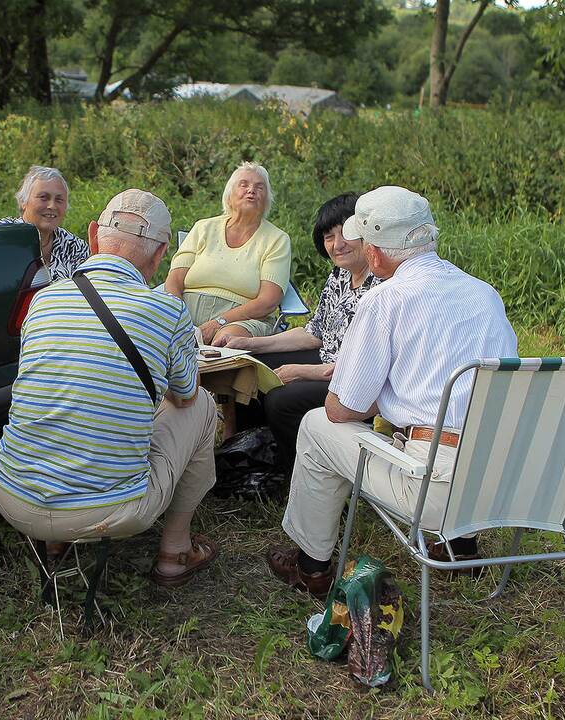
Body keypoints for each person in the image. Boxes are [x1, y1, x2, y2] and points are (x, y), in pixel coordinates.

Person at [266, 186, 518, 597]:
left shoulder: (386, 299)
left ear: (376, 254)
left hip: (435, 486)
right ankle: (460, 545)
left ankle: (311, 567)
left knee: (316, 425)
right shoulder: (484, 293)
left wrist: (379, 395)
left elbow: (344, 409)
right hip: (507, 479)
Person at [0, 189, 220, 587]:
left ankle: (54, 544)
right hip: (106, 513)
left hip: (11, 494)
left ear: (94, 235)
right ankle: (175, 553)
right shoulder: (168, 310)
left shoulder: (42, 301)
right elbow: (185, 395)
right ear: (161, 252)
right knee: (205, 407)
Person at [219, 193, 379, 467]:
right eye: (329, 237)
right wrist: (250, 344)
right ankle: (253, 455)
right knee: (250, 366)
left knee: (282, 400)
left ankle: (302, 472)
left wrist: (301, 371)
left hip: (355, 380)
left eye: (346, 234)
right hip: (327, 360)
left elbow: (365, 365)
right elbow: (314, 332)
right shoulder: (339, 276)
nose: (337, 245)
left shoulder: (380, 286)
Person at [163, 162, 291, 346]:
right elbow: (173, 281)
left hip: (243, 320)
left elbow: (268, 301)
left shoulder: (277, 239)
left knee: (225, 340)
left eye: (259, 187)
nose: (251, 190)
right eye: (244, 184)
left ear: (267, 200)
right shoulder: (203, 228)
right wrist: (181, 319)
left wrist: (219, 322)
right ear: (229, 196)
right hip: (184, 314)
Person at [0, 165, 89, 282]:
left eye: (59, 200)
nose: (52, 206)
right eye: (43, 197)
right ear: (23, 201)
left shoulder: (76, 248)